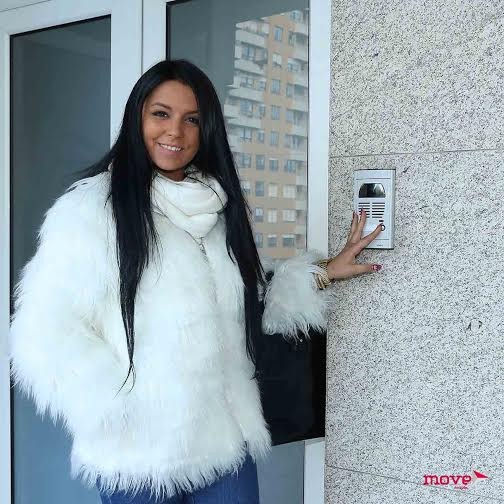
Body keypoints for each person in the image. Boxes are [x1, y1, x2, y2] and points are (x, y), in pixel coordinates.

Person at [8, 59, 383, 504]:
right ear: (137, 119)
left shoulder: (217, 209)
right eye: (160, 114)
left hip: (226, 446)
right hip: (140, 458)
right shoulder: (92, 210)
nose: (175, 132)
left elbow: (247, 305)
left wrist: (322, 273)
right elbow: (43, 331)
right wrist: (119, 407)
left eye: (192, 119)